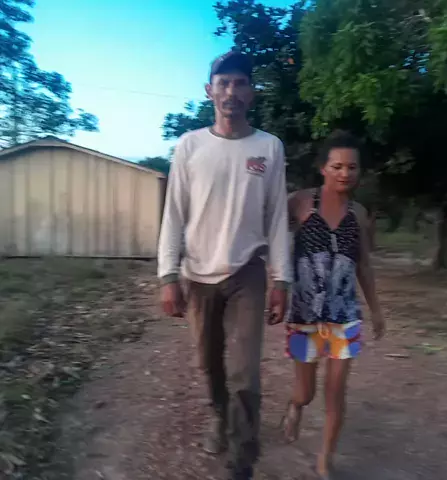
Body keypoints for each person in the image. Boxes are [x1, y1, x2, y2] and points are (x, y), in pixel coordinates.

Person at [157, 50, 291, 480]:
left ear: (252, 93)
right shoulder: (190, 145)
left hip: (247, 271)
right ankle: (219, 416)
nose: (231, 91)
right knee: (209, 363)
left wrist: (282, 279)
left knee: (244, 372)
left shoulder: (269, 147)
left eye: (240, 83)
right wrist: (168, 275)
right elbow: (174, 213)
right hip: (198, 274)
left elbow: (277, 216)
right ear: (209, 91)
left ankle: (242, 457)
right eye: (224, 83)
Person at [281, 130, 385, 479]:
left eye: (352, 167)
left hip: (345, 317)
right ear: (322, 168)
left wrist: (376, 310)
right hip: (303, 317)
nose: (345, 173)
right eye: (337, 166)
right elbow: (273, 240)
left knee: (336, 392)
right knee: (306, 392)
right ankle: (295, 406)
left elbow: (364, 265)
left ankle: (325, 458)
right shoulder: (299, 202)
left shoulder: (359, 213)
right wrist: (274, 286)